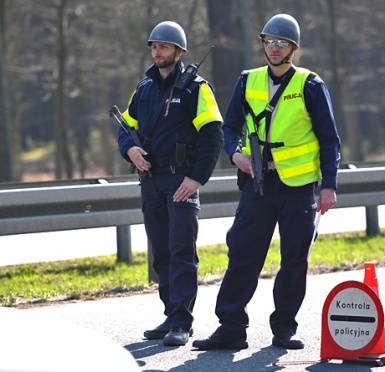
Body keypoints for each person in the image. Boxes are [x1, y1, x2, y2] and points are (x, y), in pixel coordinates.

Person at [192, 14, 341, 351]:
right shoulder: (249, 81)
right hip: (258, 183)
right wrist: (235, 156)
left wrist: (329, 186)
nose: (273, 48)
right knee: (242, 252)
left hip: (299, 186)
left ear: (293, 48)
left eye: (281, 43)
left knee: (293, 259)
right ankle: (231, 328)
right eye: (269, 41)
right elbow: (229, 129)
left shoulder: (310, 85)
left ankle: (284, 329)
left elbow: (329, 139)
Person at [117, 21, 224, 346]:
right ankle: (170, 314)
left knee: (181, 251)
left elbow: (213, 135)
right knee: (160, 252)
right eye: (153, 46)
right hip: (150, 180)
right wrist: (129, 149)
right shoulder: (144, 89)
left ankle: (181, 321)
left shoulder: (196, 88)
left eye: (163, 46)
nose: (157, 51)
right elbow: (125, 126)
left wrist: (197, 178)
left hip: (181, 181)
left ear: (179, 51)